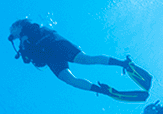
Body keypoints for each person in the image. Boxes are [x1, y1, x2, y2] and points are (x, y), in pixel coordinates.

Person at [8, 19, 152, 102]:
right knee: (68, 79)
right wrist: (23, 47)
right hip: (51, 58)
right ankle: (101, 90)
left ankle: (124, 63)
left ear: (17, 26)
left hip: (56, 45)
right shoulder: (22, 44)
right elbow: (31, 60)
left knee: (86, 59)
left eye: (11, 30)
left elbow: (36, 31)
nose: (11, 35)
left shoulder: (28, 28)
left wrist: (24, 39)